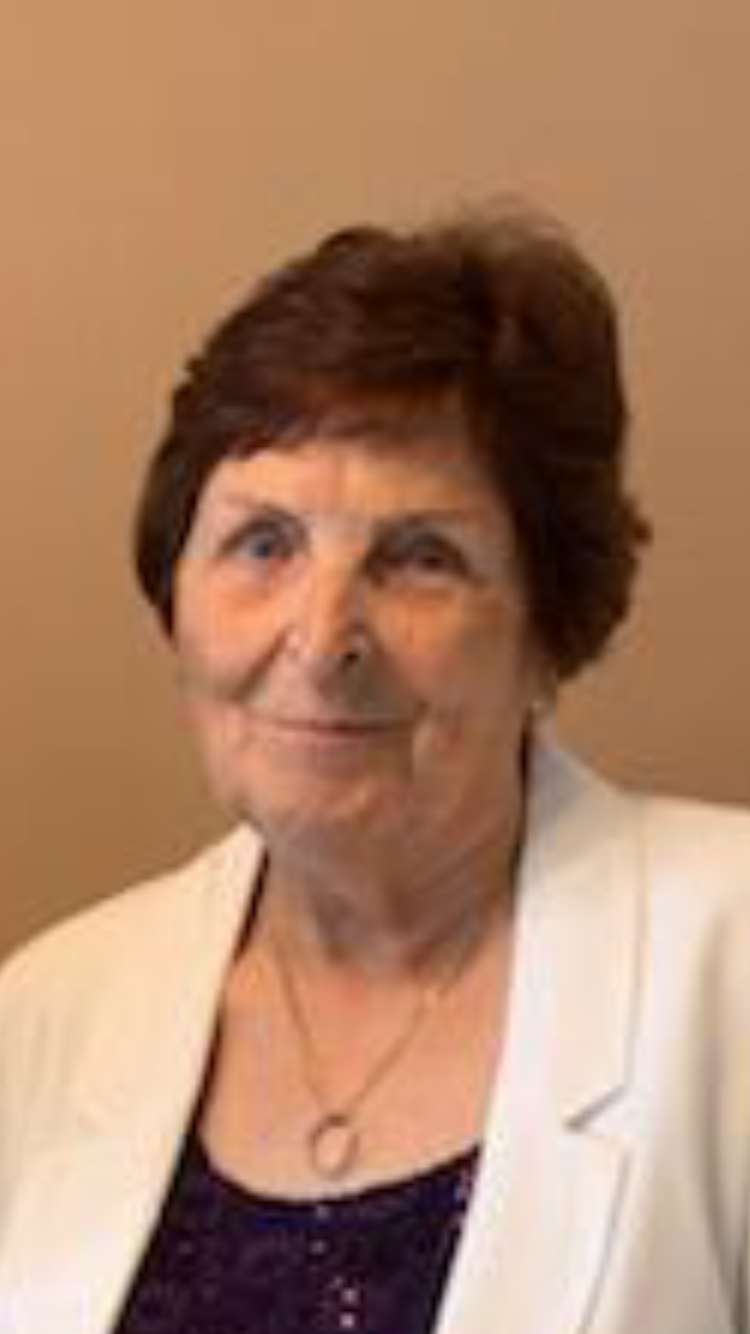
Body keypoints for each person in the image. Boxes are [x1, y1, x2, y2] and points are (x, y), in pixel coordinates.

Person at [1, 203, 749, 1334]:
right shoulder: (47, 1012)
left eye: (419, 557)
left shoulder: (729, 963)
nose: (321, 639)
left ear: (549, 626)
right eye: (263, 542)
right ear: (175, 590)